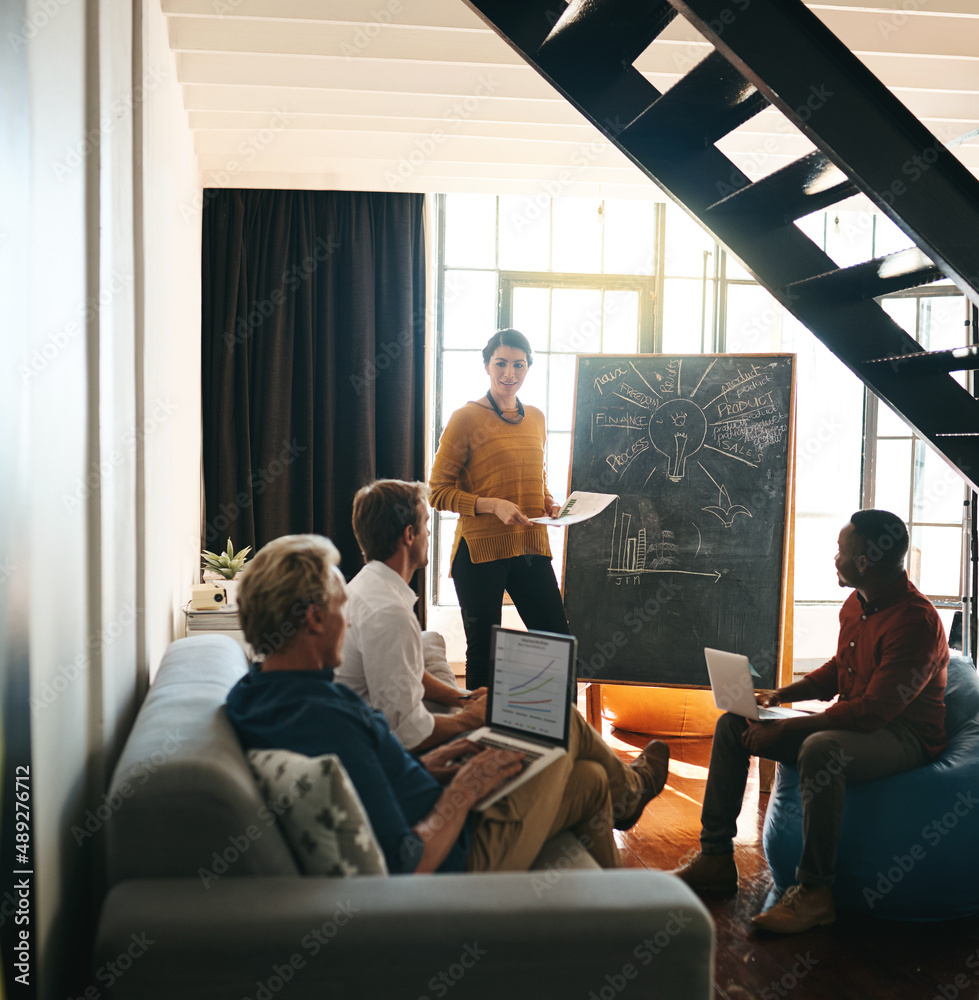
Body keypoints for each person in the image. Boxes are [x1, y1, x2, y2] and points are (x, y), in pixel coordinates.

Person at [225, 533, 670, 874]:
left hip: (440, 807)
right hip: (459, 854)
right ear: (314, 618)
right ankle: (630, 795)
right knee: (564, 721)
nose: (349, 620)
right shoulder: (320, 717)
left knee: (591, 780)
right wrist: (465, 788)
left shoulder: (255, 692)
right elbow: (408, 860)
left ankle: (620, 917)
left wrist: (437, 761)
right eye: (343, 608)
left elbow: (371, 778)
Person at [675, 509, 949, 934]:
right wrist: (783, 695)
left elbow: (874, 712)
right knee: (734, 724)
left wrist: (790, 727)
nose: (834, 559)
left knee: (821, 749)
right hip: (859, 724)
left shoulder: (916, 622)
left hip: (901, 736)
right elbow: (841, 669)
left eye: (841, 551)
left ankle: (816, 893)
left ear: (864, 561)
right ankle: (714, 858)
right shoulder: (857, 603)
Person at [430, 329, 568, 690]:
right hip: (479, 553)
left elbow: (535, 478)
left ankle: (563, 741)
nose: (510, 373)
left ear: (528, 368)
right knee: (484, 654)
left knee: (557, 644)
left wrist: (551, 505)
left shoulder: (536, 418)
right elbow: (437, 492)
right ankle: (475, 739)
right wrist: (492, 506)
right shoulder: (466, 418)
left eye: (518, 365)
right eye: (501, 363)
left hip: (530, 547)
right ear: (487, 366)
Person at [334, 478, 487, 752]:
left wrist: (463, 698)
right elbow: (407, 735)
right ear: (408, 535)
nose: (429, 534)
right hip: (368, 748)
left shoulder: (367, 584)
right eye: (426, 524)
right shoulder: (389, 613)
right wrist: (471, 719)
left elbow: (407, 673)